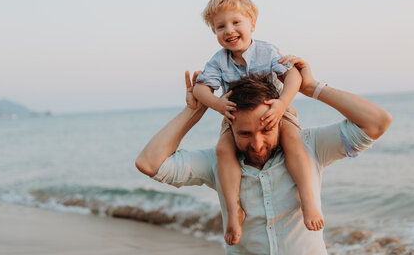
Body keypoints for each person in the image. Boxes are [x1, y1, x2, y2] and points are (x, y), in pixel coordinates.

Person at [135, 56, 392, 255]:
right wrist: (193, 112)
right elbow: (149, 163)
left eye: (266, 129)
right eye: (245, 134)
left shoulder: (310, 146)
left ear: (279, 120)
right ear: (229, 127)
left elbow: (377, 122)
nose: (257, 144)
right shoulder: (219, 161)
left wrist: (312, 87)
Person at [193, 0, 322, 246]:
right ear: (215, 32)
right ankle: (234, 210)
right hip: (235, 116)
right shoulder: (218, 61)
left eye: (236, 22)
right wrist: (218, 104)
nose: (229, 30)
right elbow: (199, 89)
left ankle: (308, 201)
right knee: (223, 150)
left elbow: (293, 76)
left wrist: (282, 103)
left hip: (275, 110)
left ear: (252, 24)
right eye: (221, 26)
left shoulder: (267, 51)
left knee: (293, 140)